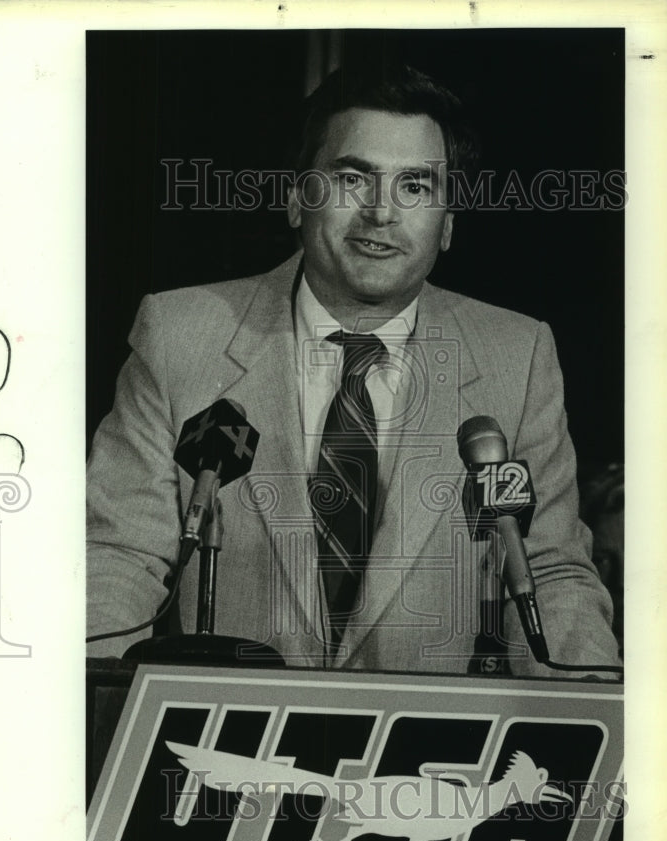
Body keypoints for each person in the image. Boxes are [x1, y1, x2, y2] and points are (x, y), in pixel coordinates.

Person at [86, 65, 620, 675]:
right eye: (352, 178)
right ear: (296, 198)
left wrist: (594, 718)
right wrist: (90, 716)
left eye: (416, 186)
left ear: (448, 224)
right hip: (223, 749)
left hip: (430, 756)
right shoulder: (179, 336)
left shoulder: (517, 354)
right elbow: (118, 555)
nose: (380, 214)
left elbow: (550, 571)